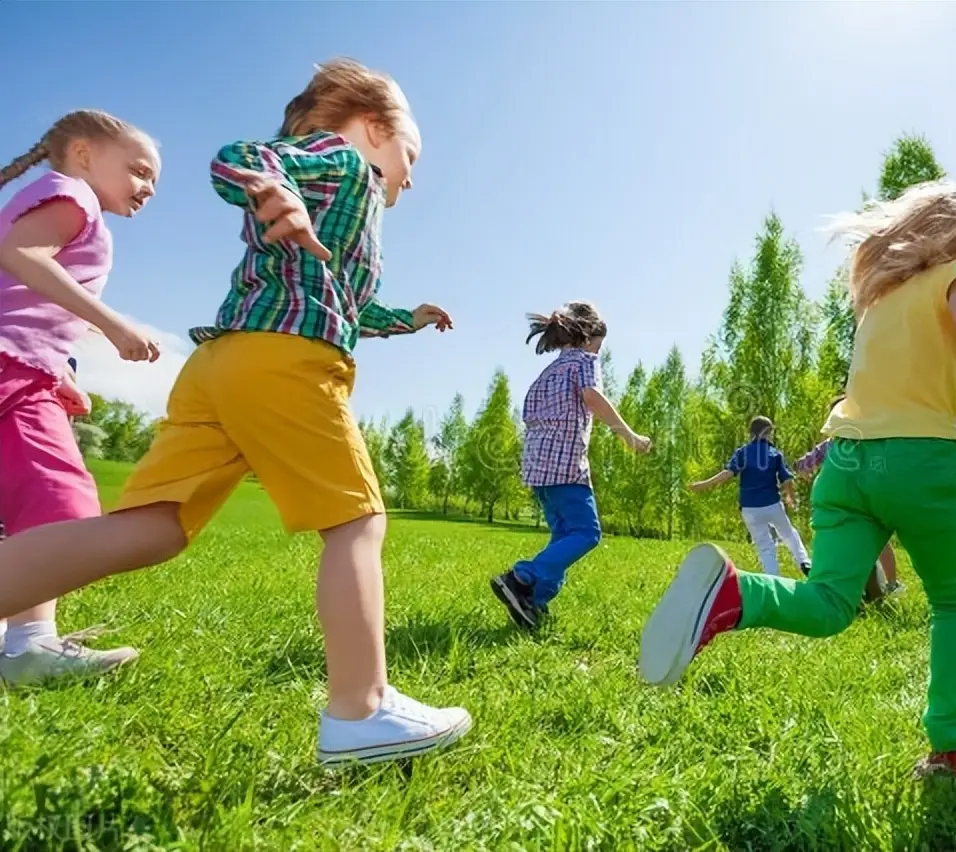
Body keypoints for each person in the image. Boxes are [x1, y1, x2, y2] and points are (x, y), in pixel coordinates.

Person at [0, 59, 472, 766]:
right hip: (283, 362)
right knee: (356, 520)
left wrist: (403, 317)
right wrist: (272, 188)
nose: (413, 171)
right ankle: (361, 710)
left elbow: (342, 297)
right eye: (413, 152)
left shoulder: (346, 208)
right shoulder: (340, 161)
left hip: (223, 367)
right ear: (375, 129)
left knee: (152, 528)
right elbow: (239, 159)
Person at [638, 181, 956, 783]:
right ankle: (953, 747)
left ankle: (735, 593)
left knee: (829, 603)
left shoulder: (883, 294)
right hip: (916, 459)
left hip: (845, 462)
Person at [0, 111, 161, 687]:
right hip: (13, 370)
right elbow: (20, 254)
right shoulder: (74, 196)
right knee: (59, 503)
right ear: (85, 154)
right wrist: (114, 326)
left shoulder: (60, 197)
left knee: (25, 505)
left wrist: (62, 370)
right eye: (139, 170)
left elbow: (23, 302)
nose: (146, 188)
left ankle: (23, 642)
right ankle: (26, 646)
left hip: (24, 368)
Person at [491, 302, 652, 629]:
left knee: (563, 537)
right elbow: (592, 397)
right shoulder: (584, 362)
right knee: (586, 533)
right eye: (600, 346)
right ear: (588, 337)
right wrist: (629, 436)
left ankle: (532, 603)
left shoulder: (548, 372)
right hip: (565, 464)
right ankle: (522, 577)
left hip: (538, 467)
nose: (599, 352)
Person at [794, 399, 902, 604]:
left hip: (854, 501)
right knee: (872, 542)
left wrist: (805, 469)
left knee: (862, 542)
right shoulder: (861, 440)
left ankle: (882, 585)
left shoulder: (838, 443)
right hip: (862, 499)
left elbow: (804, 464)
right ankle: (882, 585)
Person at [689, 416, 810, 577]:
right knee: (788, 533)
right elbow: (786, 479)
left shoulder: (743, 452)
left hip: (750, 508)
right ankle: (804, 562)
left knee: (765, 545)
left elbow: (727, 473)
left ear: (751, 433)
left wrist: (704, 484)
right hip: (772, 504)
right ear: (767, 432)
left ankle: (773, 579)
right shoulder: (775, 453)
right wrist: (790, 497)